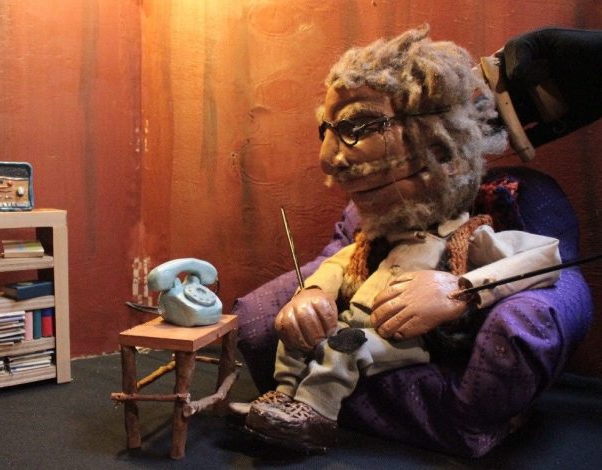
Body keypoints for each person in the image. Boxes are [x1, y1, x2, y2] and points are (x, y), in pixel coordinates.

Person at [232, 25, 562, 453]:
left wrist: (460, 289)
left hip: (402, 340)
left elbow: (544, 259)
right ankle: (281, 399)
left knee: (344, 348)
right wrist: (311, 293)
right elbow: (339, 262)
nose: (328, 159)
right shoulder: (374, 238)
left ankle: (315, 416)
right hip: (353, 323)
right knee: (301, 342)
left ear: (443, 146)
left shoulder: (466, 238)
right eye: (326, 130)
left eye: (356, 125)